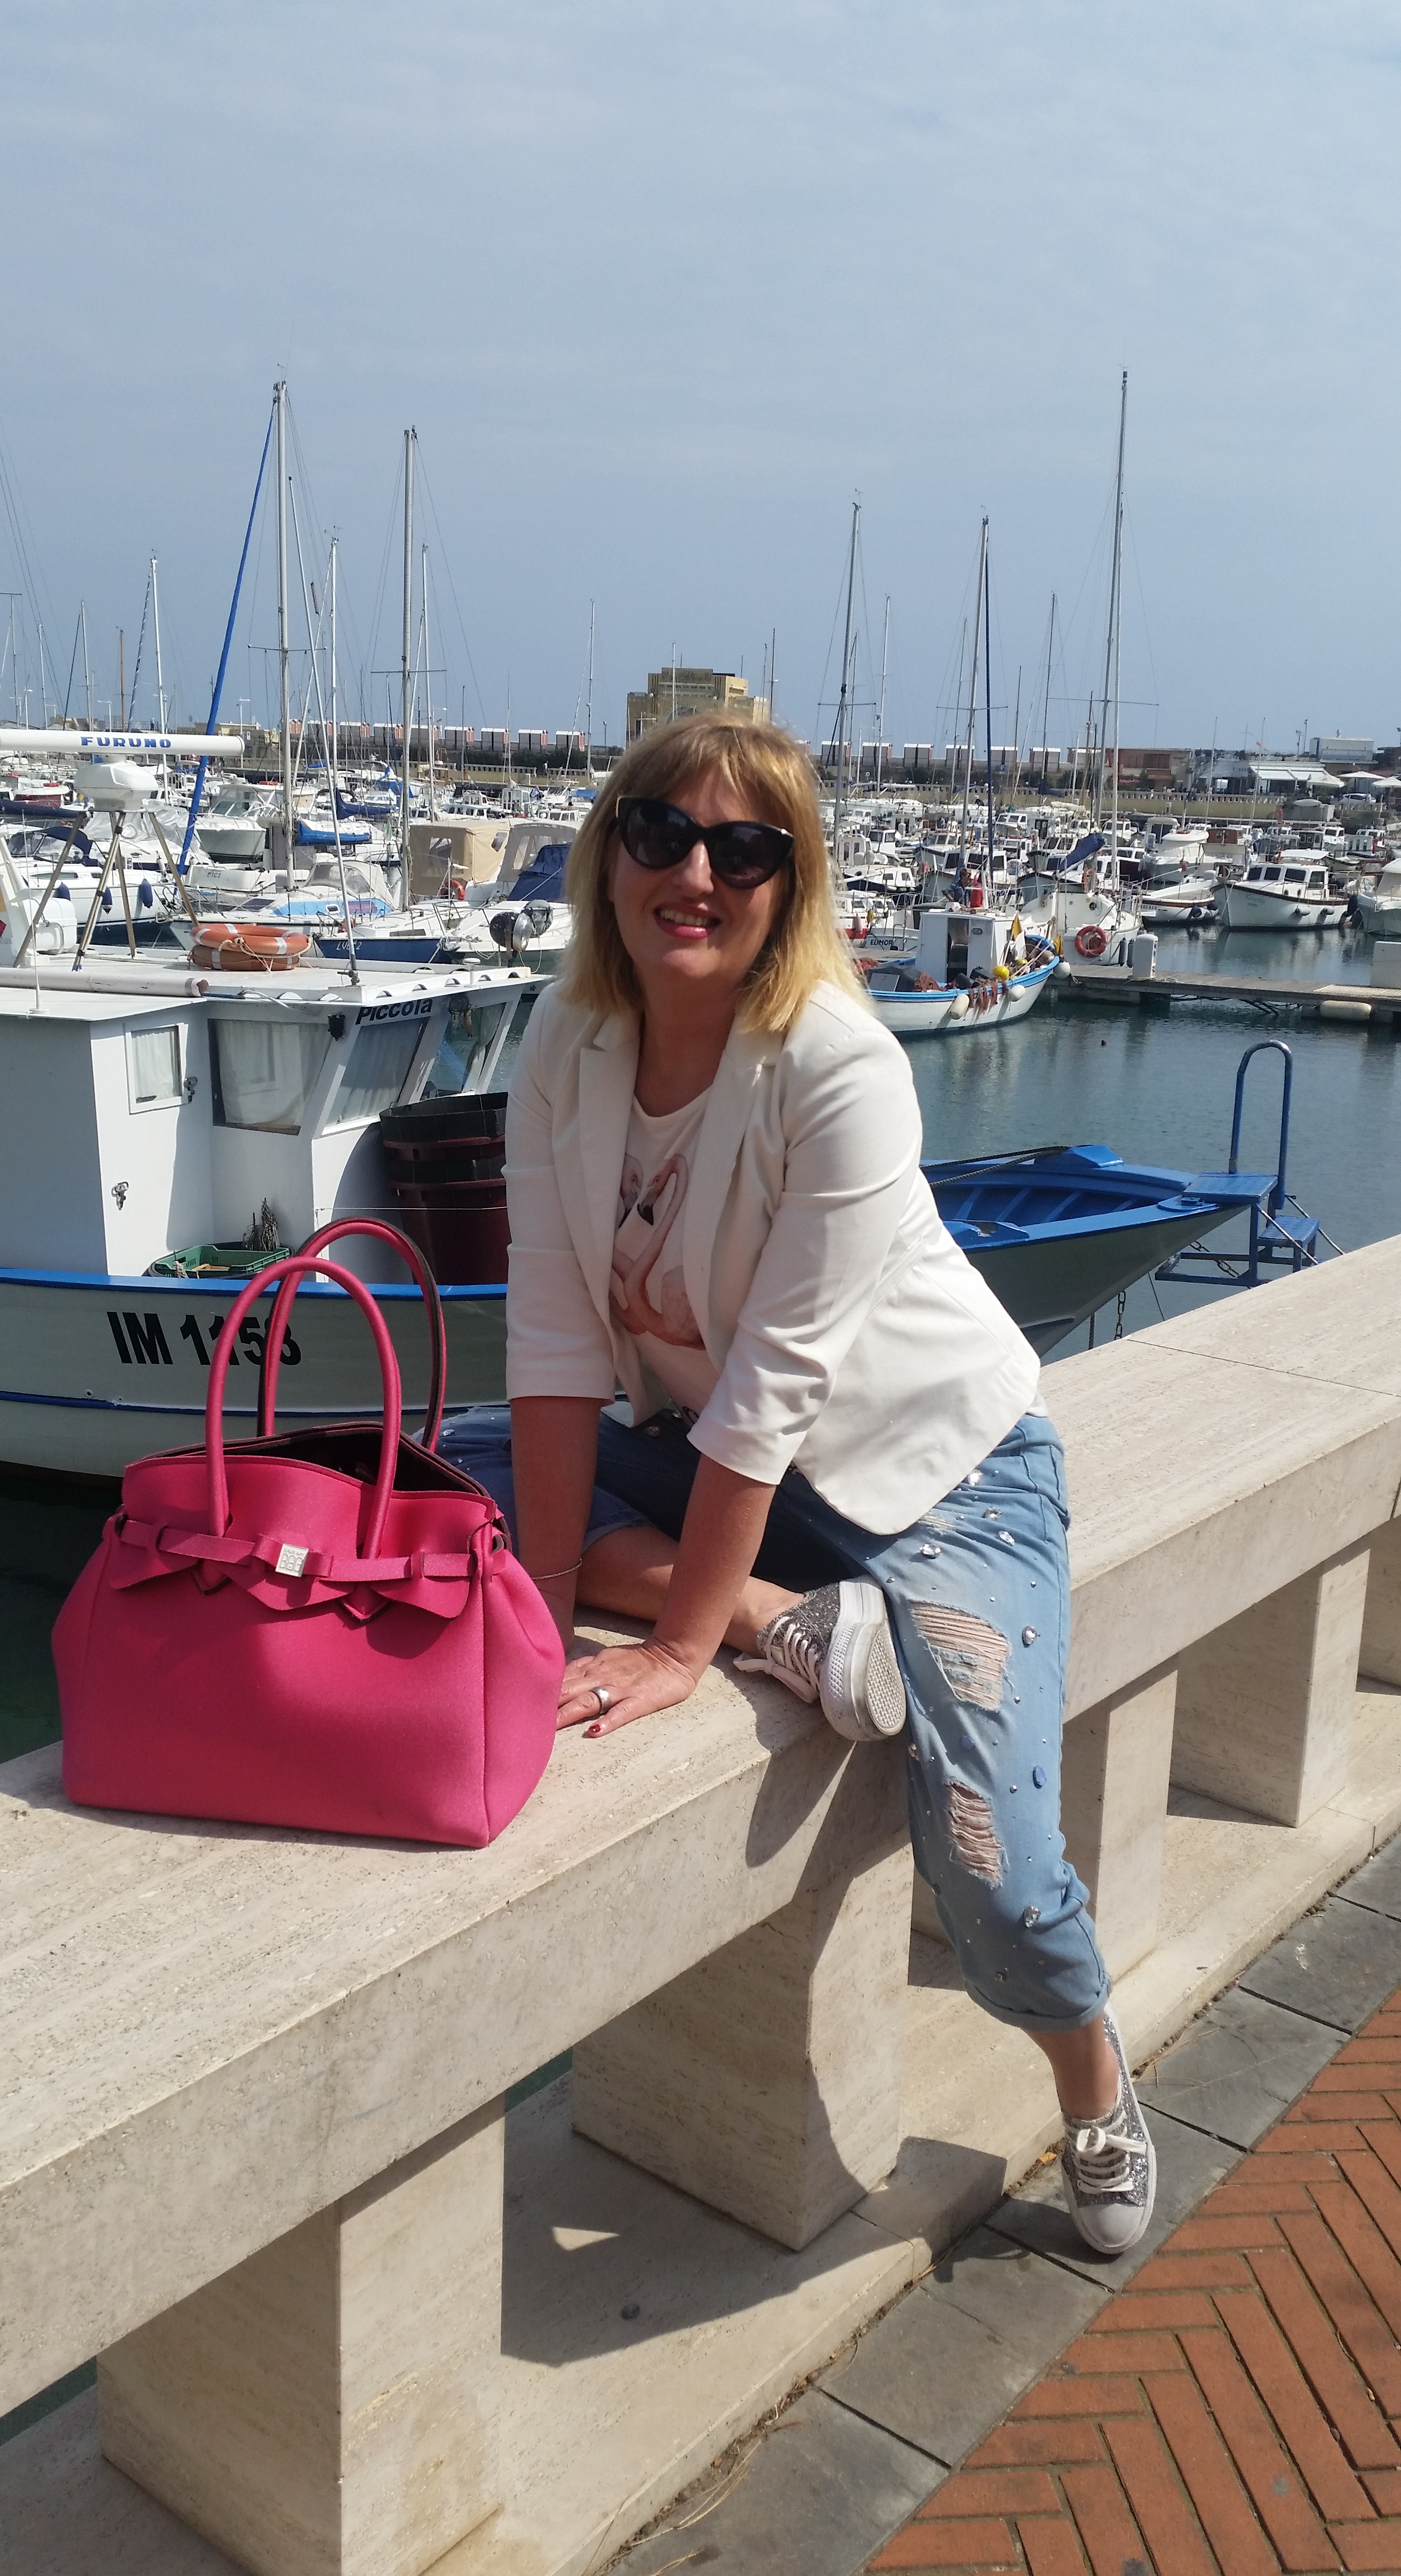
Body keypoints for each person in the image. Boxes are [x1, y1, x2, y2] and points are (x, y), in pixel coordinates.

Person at [439, 713, 1155, 2258]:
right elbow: (551, 1345)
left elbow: (772, 1396)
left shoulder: (839, 1070)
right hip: (722, 1465)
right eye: (661, 834)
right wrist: (565, 1601)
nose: (695, 874)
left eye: (744, 849)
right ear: (609, 856)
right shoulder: (566, 1044)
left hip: (941, 1479)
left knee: (995, 1860)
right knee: (442, 1476)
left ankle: (1094, 2082)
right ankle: (795, 1620)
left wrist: (676, 1647)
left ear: (790, 883)